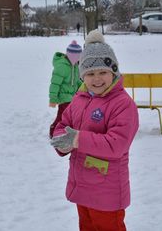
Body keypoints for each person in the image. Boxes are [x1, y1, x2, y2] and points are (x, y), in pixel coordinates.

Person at [50, 30, 139, 231]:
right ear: (83, 75)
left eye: (103, 72)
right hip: (82, 187)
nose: (97, 79)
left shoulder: (123, 104)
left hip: (107, 193)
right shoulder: (79, 99)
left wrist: (77, 139)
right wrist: (62, 141)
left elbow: (116, 145)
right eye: (90, 73)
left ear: (114, 72)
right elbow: (63, 124)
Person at [49, 40, 83, 138]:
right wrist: (53, 99)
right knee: (62, 116)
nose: (79, 60)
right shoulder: (62, 66)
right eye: (78, 58)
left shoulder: (75, 66)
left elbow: (76, 81)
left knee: (71, 115)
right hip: (64, 97)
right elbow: (54, 84)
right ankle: (53, 130)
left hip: (72, 97)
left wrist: (85, 87)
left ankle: (67, 130)